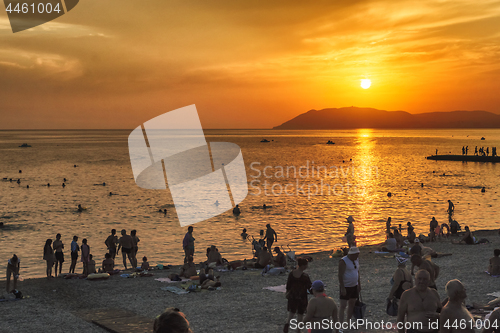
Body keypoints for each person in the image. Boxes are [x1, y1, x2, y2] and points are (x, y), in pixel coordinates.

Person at [284, 258, 312, 333]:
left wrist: (287, 292)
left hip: (292, 295)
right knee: (300, 313)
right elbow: (310, 287)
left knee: (292, 311)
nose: (307, 266)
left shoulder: (291, 274)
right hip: (302, 296)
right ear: (302, 266)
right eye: (306, 265)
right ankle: (298, 330)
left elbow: (288, 285)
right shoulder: (305, 276)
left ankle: (287, 324)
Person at [338, 246, 361, 324]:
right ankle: (340, 323)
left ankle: (349, 321)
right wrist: (342, 288)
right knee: (343, 305)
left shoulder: (356, 260)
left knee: (352, 304)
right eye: (356, 255)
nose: (357, 256)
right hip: (346, 286)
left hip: (354, 285)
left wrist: (359, 283)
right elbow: (340, 275)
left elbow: (357, 272)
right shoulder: (343, 261)